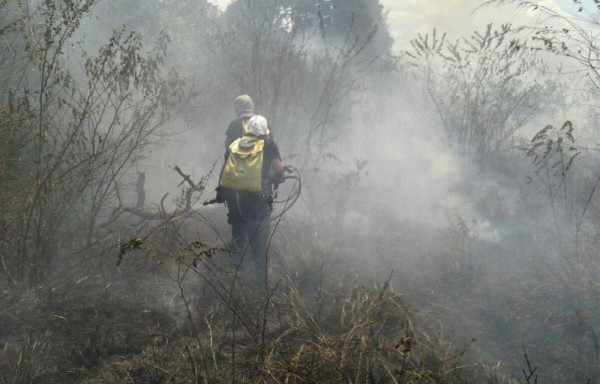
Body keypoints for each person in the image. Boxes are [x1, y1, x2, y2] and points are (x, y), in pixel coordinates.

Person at [218, 114, 284, 285]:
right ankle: (261, 288)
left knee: (238, 239)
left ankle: (234, 283)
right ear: (264, 131)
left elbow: (225, 172)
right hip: (259, 200)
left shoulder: (235, 144)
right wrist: (277, 178)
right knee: (260, 245)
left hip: (236, 201)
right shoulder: (269, 144)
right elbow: (278, 170)